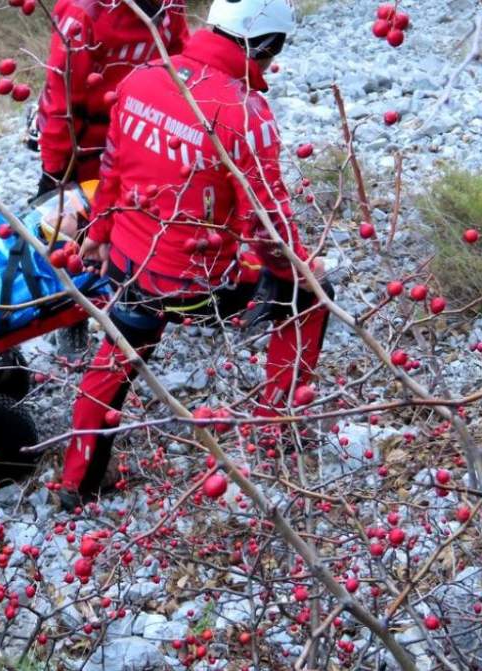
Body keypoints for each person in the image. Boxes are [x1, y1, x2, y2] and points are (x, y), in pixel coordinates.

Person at [58, 0, 332, 511]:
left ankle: (77, 481)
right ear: (268, 47)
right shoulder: (245, 114)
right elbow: (267, 226)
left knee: (120, 348)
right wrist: (297, 270)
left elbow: (113, 167)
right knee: (314, 296)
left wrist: (99, 230)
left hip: (127, 263)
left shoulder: (142, 78)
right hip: (195, 283)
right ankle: (277, 428)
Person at [35, 0, 188, 198]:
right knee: (76, 216)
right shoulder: (83, 12)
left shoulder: (170, 6)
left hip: (140, 138)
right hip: (86, 144)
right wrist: (54, 171)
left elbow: (180, 65)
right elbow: (61, 98)